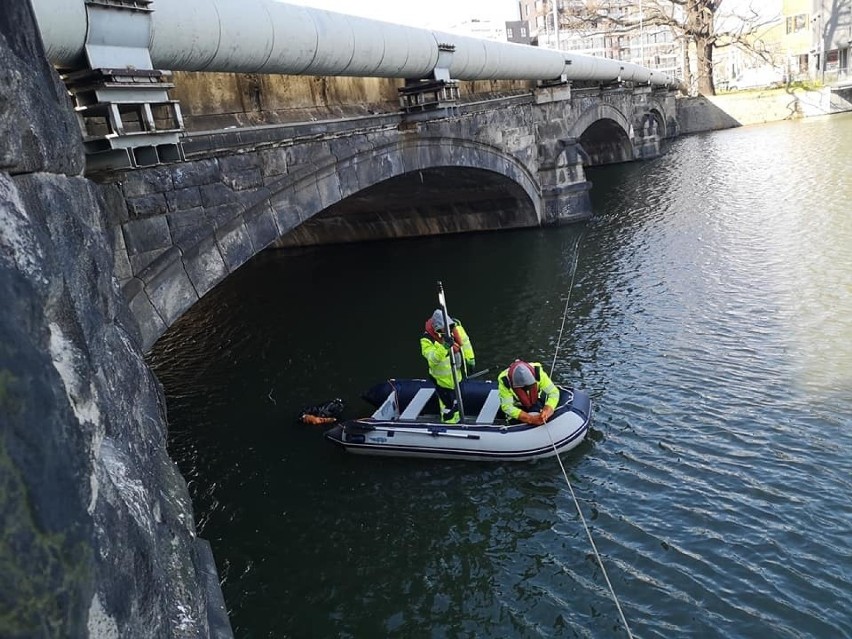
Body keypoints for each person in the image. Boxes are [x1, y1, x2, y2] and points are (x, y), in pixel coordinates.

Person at [421, 309, 475, 423]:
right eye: (443, 329)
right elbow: (432, 359)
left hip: (457, 374)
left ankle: (459, 419)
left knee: (459, 399)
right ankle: (449, 425)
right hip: (442, 380)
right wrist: (444, 347)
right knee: (448, 406)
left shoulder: (456, 328)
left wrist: (470, 359)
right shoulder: (427, 339)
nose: (447, 331)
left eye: (449, 327)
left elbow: (465, 343)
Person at [497, 359, 560, 426]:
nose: (527, 390)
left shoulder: (538, 372)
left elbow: (554, 393)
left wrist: (547, 410)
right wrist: (530, 419)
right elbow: (507, 406)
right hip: (517, 405)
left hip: (535, 401)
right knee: (513, 421)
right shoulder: (504, 380)